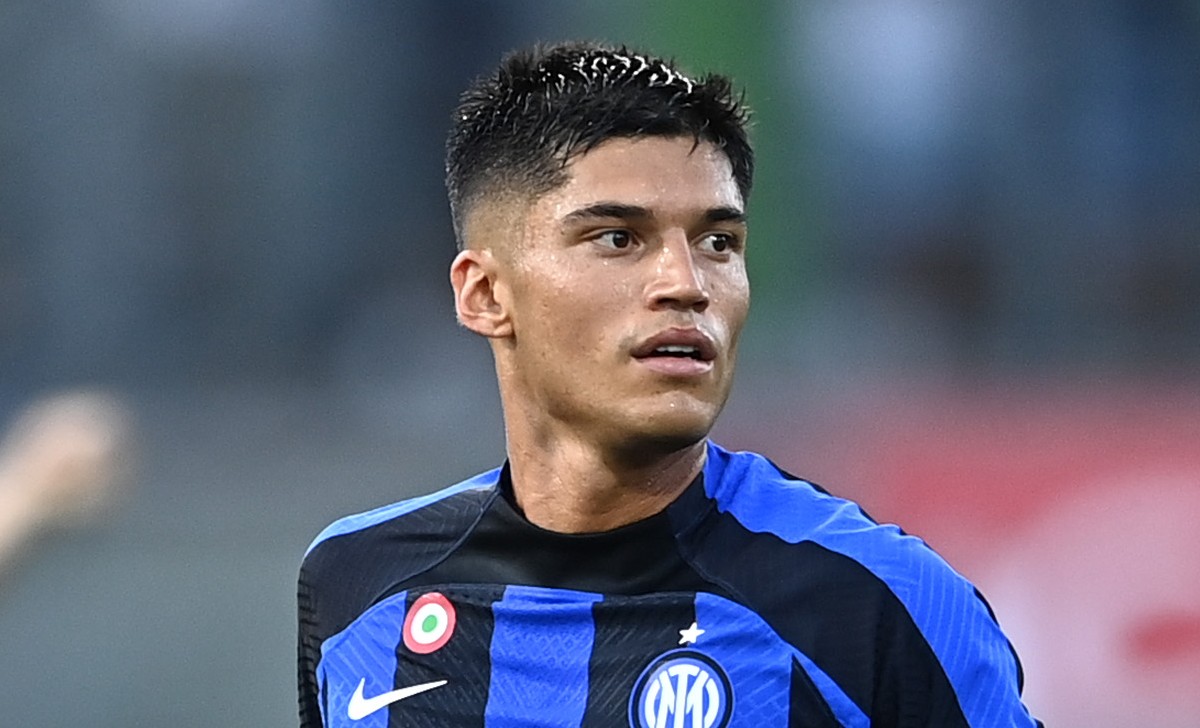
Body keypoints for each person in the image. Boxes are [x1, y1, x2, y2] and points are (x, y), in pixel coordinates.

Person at [297, 41, 1040, 727]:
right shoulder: (357, 583)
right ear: (486, 294)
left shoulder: (875, 602)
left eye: (718, 242)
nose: (686, 284)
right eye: (618, 238)